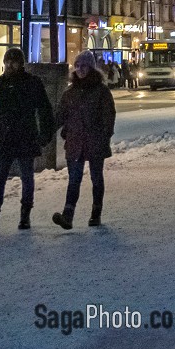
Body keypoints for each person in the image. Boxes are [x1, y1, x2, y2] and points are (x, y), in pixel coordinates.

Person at [0, 48, 55, 234]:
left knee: (27, 177)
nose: (10, 65)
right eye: (8, 61)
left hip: (25, 137)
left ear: (21, 63)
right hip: (4, 138)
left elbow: (45, 109)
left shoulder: (32, 83)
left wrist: (45, 134)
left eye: (14, 61)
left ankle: (25, 215)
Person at [52, 52, 116, 230]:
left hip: (94, 141)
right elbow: (60, 116)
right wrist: (45, 131)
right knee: (74, 179)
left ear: (91, 67)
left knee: (96, 177)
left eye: (84, 66)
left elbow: (108, 117)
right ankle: (68, 215)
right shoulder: (70, 93)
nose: (80, 69)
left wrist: (104, 137)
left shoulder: (101, 91)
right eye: (77, 66)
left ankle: (96, 212)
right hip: (75, 141)